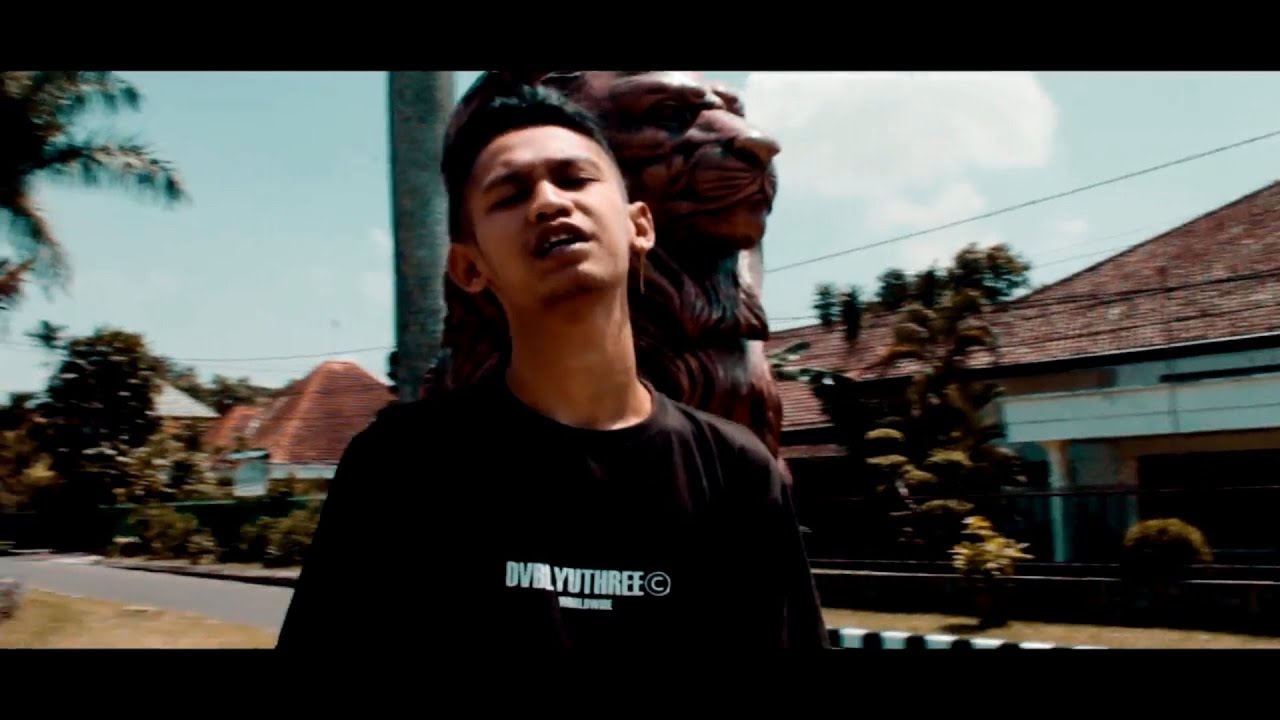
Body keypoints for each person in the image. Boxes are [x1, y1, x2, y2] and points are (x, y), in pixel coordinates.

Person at [275, 83, 829, 650]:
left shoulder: (737, 474)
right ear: (469, 268)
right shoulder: (401, 466)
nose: (548, 202)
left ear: (639, 226)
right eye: (510, 195)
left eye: (575, 179)